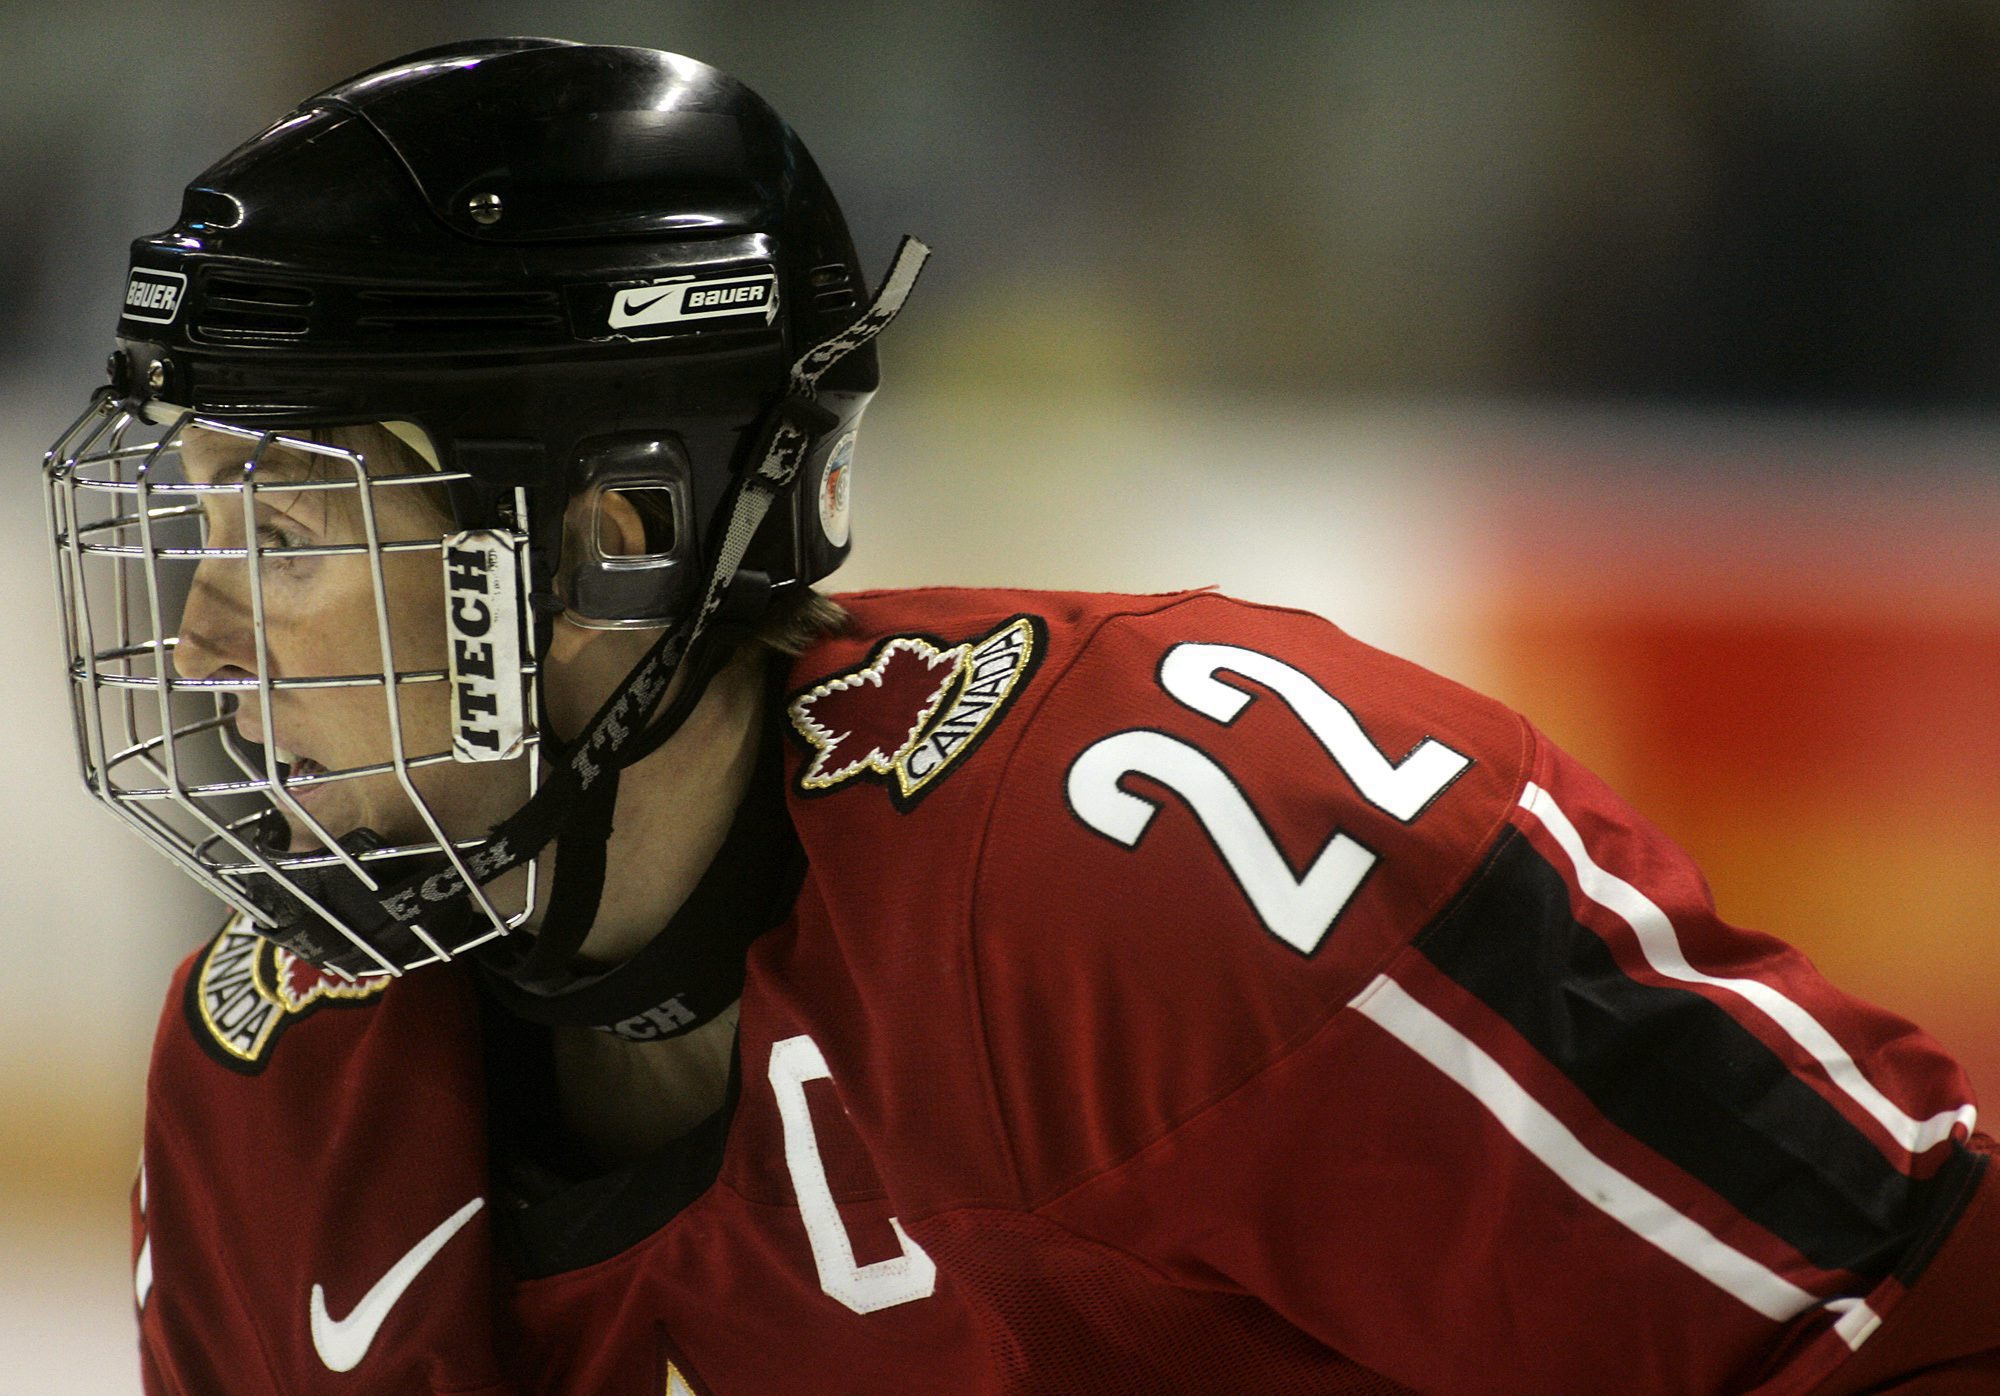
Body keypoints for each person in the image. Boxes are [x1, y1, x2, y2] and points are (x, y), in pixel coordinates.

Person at [42, 38, 2000, 1396]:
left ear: (612, 535)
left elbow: (1902, 1300)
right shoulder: (269, 1083)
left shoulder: (1147, 847)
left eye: (285, 523)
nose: (207, 622)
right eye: (196, 524)